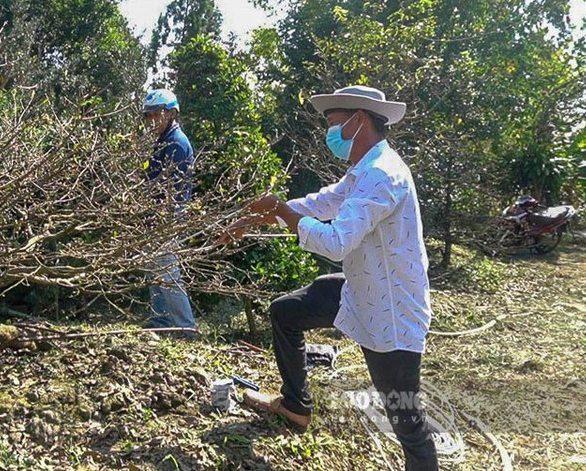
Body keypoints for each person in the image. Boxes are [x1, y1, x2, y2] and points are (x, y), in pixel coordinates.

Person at [217, 85, 438, 470]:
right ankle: (296, 405)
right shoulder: (364, 169)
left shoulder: (383, 174)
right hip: (361, 290)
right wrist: (266, 214)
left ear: (360, 120)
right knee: (286, 312)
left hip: (391, 313)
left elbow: (336, 242)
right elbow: (324, 202)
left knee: (406, 421)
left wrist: (283, 212)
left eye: (335, 124)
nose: (330, 134)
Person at [141, 88, 197, 332]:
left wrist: (161, 217)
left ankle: (185, 327)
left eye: (157, 114)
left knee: (167, 272)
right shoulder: (163, 140)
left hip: (168, 215)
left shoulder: (176, 143)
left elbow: (172, 188)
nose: (152, 120)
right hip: (156, 214)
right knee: (154, 270)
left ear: (172, 113)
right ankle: (161, 321)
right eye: (149, 115)